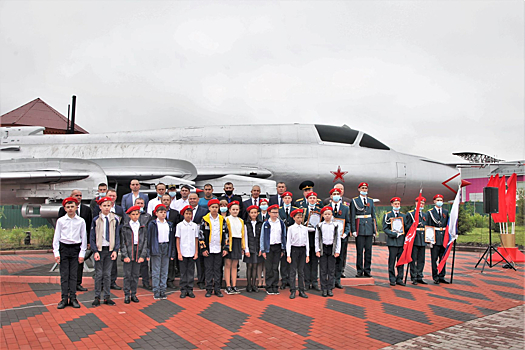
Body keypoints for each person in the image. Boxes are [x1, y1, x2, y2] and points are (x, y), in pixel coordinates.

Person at [53, 197, 87, 309]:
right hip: (64, 248)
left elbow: (83, 238)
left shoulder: (81, 221)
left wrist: (82, 254)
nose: (70, 209)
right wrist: (56, 252)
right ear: (65, 208)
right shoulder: (61, 221)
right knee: (64, 275)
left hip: (75, 249)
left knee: (73, 275)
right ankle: (64, 298)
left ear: (76, 207)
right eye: (68, 207)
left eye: (72, 206)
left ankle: (73, 297)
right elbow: (56, 237)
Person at [57, 189, 92, 292]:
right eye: (76, 195)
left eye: (80, 195)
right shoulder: (63, 211)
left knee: (78, 266)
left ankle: (77, 284)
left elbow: (88, 226)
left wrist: (88, 241)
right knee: (66, 270)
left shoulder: (86, 209)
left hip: (79, 242)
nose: (79, 197)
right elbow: (58, 229)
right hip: (65, 244)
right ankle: (66, 290)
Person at [90, 196, 120, 307]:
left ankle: (107, 297)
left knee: (107, 274)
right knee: (99, 274)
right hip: (99, 249)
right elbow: (92, 236)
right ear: (100, 207)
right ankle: (97, 297)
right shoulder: (96, 220)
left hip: (109, 249)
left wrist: (115, 249)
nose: (106, 208)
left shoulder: (115, 219)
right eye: (104, 206)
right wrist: (95, 251)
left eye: (108, 205)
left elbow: (117, 236)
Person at [199, 199, 229, 298]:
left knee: (218, 269)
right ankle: (208, 289)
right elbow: (201, 235)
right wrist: (203, 248)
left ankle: (217, 289)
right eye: (213, 207)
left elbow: (226, 234)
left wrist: (226, 248)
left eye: (216, 207)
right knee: (208, 269)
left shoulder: (222, 219)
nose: (215, 209)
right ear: (209, 208)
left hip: (219, 249)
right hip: (209, 249)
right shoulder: (205, 219)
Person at [120, 205, 148, 304]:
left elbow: (145, 241)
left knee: (135, 275)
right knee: (127, 275)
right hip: (129, 250)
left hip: (138, 251)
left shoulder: (142, 226)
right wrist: (125, 255)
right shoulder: (125, 227)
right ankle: (127, 294)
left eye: (137, 214)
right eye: (133, 214)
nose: (135, 216)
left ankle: (134, 294)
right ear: (129, 215)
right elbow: (122, 242)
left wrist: (142, 255)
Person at [148, 204, 175, 299]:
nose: (163, 214)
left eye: (164, 212)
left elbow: (171, 239)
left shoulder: (169, 224)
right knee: (156, 270)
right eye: (161, 212)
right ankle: (156, 290)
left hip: (166, 246)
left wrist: (172, 252)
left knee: (164, 270)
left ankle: (163, 290)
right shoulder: (153, 224)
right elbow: (150, 238)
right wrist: (149, 251)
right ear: (156, 213)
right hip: (157, 246)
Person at [350, 182, 377, 278]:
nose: (364, 190)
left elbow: (373, 216)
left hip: (369, 227)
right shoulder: (354, 201)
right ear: (359, 189)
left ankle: (367, 270)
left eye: (365, 188)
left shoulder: (371, 200)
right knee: (360, 251)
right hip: (360, 227)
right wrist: (353, 230)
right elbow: (352, 216)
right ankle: (359, 270)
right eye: (362, 188)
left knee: (369, 251)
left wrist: (374, 229)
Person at [260, 204, 287, 295]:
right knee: (269, 267)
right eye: (273, 212)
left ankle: (275, 285)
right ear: (269, 213)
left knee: (275, 267)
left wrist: (283, 249)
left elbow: (283, 236)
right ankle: (269, 286)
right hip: (269, 247)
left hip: (278, 246)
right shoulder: (266, 223)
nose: (275, 214)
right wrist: (263, 250)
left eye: (277, 212)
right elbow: (262, 237)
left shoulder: (281, 223)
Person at [315, 206, 341, 297]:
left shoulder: (335, 225)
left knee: (331, 269)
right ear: (322, 215)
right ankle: (323, 288)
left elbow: (338, 239)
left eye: (329, 214)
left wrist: (337, 251)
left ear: (331, 215)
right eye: (325, 214)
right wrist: (317, 250)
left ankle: (330, 288)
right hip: (323, 249)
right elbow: (317, 238)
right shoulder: (319, 225)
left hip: (332, 249)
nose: (327, 216)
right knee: (323, 270)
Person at [158, 194, 181, 289]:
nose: (166, 201)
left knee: (171, 261)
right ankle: (160, 280)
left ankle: (170, 280)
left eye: (168, 200)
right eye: (164, 200)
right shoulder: (156, 212)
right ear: (161, 201)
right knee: (159, 262)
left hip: (171, 240)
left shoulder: (175, 213)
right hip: (160, 240)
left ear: (170, 201)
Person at [329, 188, 351, 289]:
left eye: (338, 194)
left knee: (340, 259)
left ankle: (337, 280)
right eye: (334, 194)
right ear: (331, 196)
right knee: (331, 259)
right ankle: (330, 280)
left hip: (342, 238)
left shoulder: (345, 208)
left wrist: (346, 233)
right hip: (329, 239)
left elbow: (348, 223)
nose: (336, 195)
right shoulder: (327, 208)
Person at [176, 205, 199, 298]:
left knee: (190, 272)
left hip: (192, 252)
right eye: (187, 213)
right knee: (183, 272)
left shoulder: (194, 225)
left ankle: (190, 289)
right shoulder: (180, 225)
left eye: (190, 214)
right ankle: (183, 289)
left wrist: (196, 252)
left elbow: (196, 239)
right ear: (183, 214)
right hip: (183, 252)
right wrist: (179, 253)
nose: (188, 215)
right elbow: (178, 239)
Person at [286, 209, 309, 299]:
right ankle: (292, 290)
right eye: (298, 217)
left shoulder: (305, 228)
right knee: (292, 271)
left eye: (301, 217)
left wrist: (307, 255)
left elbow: (306, 242)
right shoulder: (291, 228)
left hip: (302, 250)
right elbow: (288, 242)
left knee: (301, 271)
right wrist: (288, 255)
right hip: (294, 250)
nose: (300, 219)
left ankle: (301, 290)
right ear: (294, 218)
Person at [383, 197, 406, 286]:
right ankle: (392, 278)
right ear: (392, 205)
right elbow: (385, 228)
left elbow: (406, 227)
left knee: (400, 261)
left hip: (401, 241)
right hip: (392, 242)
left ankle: (400, 278)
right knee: (392, 261)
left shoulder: (403, 216)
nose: (397, 205)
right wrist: (394, 234)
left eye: (398, 204)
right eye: (395, 204)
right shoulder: (388, 215)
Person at [427, 194, 450, 284]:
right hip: (435, 238)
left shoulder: (445, 212)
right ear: (434, 201)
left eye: (441, 200)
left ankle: (441, 276)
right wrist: (429, 240)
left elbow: (448, 225)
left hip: (443, 238)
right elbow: (428, 226)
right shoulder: (430, 213)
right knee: (434, 259)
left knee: (443, 258)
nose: (439, 201)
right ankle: (435, 276)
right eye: (438, 200)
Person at [224, 201, 245, 294]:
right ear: (229, 210)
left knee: (235, 265)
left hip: (237, 242)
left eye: (237, 209)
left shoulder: (241, 220)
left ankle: (234, 285)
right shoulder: (226, 219)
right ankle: (228, 285)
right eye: (233, 209)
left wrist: (243, 246)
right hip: (229, 242)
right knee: (228, 265)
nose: (235, 211)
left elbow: (242, 234)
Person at [406, 197, 428, 285]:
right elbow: (406, 226)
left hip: (422, 239)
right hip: (414, 239)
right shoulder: (410, 214)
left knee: (421, 259)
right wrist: (413, 225)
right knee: (413, 259)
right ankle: (413, 276)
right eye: (419, 203)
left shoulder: (425, 215)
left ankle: (420, 276)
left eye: (422, 204)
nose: (421, 205)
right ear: (416, 203)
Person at [302, 192, 322, 291]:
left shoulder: (319, 211)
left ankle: (314, 282)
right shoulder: (304, 210)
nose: (312, 200)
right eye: (311, 198)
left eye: (314, 198)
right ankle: (306, 282)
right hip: (306, 237)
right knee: (306, 261)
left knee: (315, 261)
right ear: (308, 199)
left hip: (316, 237)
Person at [189, 192, 209, 289]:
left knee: (200, 261)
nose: (192, 200)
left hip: (199, 238)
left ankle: (201, 280)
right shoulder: (185, 211)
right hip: (188, 239)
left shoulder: (204, 211)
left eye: (194, 199)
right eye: (190, 199)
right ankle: (189, 280)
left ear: (198, 200)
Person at [278, 191, 297, 289]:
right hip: (283, 237)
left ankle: (291, 280)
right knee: (283, 261)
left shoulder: (295, 209)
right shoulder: (279, 210)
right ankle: (284, 280)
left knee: (292, 260)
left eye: (289, 198)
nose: (287, 200)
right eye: (285, 198)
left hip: (293, 237)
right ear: (282, 200)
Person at [133, 197, 153, 290]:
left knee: (144, 265)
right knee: (133, 265)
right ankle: (132, 283)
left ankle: (146, 283)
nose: (140, 205)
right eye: (138, 203)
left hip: (144, 243)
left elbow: (149, 230)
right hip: (133, 243)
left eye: (141, 203)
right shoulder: (129, 215)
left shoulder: (148, 216)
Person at [243, 205, 262, 293]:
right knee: (249, 266)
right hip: (249, 247)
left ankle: (254, 284)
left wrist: (261, 248)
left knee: (255, 266)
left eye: (255, 212)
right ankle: (248, 285)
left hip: (257, 247)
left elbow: (261, 237)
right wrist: (246, 249)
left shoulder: (260, 223)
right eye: (252, 213)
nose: (253, 214)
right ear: (249, 214)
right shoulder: (246, 224)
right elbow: (245, 237)